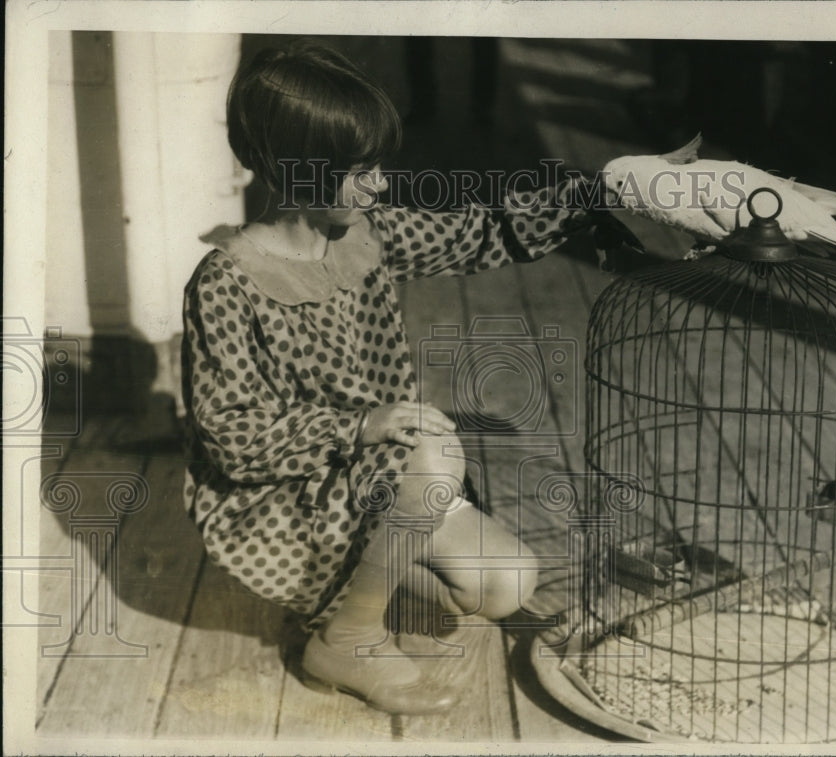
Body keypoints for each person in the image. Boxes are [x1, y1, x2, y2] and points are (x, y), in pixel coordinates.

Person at [181, 40, 615, 717]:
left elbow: (477, 231)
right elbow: (233, 440)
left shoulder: (365, 235)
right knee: (432, 447)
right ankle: (347, 637)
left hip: (374, 478)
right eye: (359, 171)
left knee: (505, 584)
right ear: (295, 170)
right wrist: (358, 425)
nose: (379, 184)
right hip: (285, 495)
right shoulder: (225, 283)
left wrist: (605, 190)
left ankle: (364, 573)